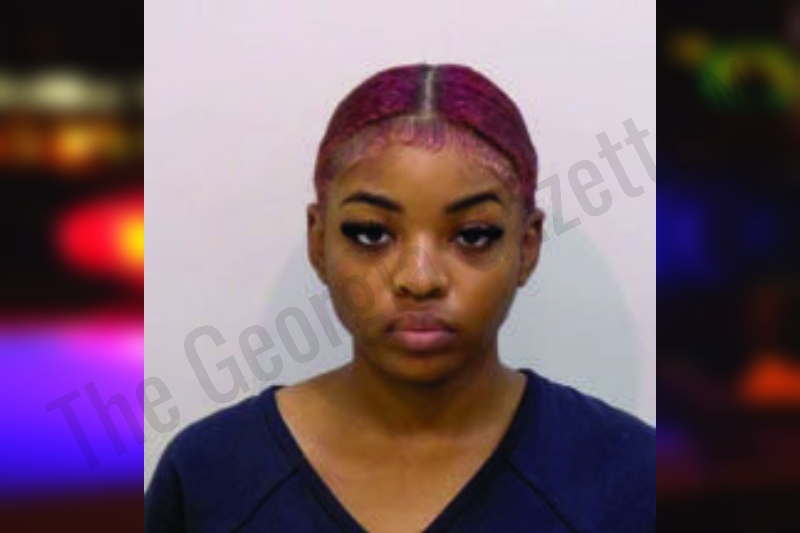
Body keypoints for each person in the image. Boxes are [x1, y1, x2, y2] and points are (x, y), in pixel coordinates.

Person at [145, 63, 655, 532]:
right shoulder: (211, 476)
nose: (419, 278)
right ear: (318, 241)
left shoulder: (627, 478)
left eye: (473, 235)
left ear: (528, 246)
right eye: (371, 233)